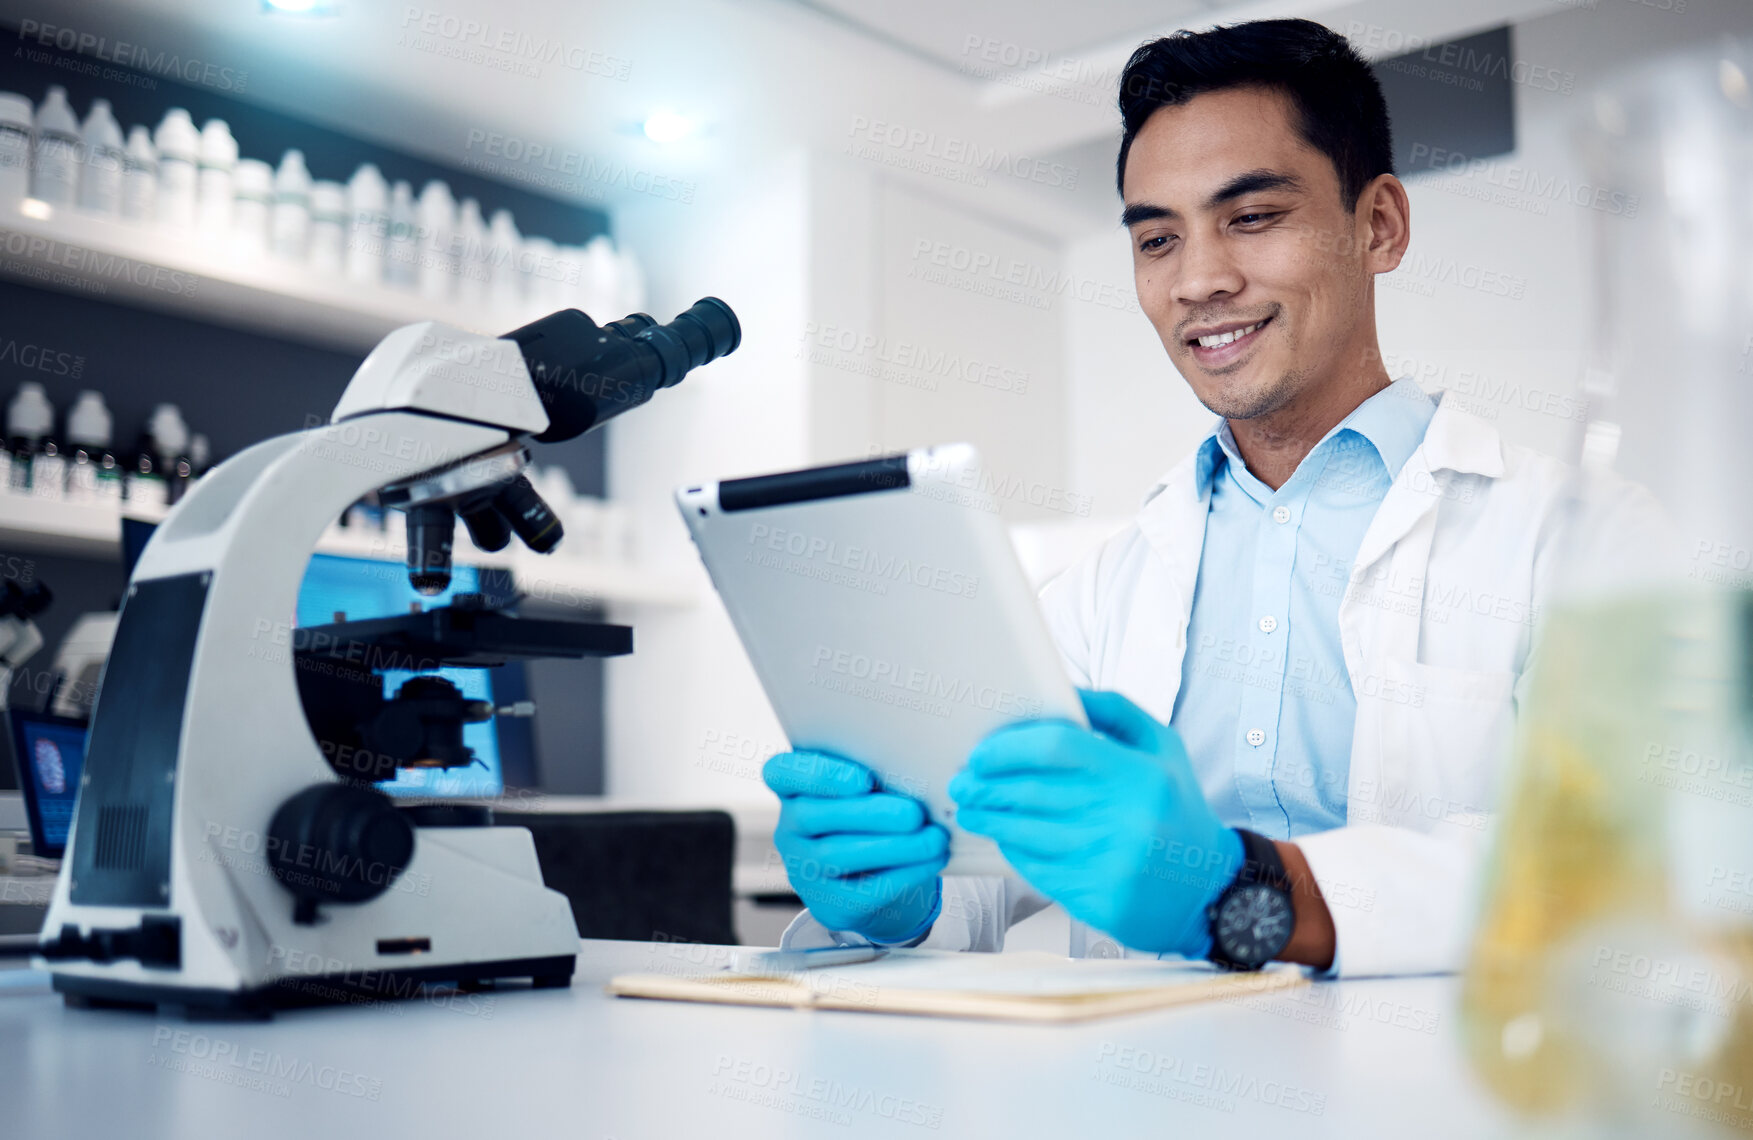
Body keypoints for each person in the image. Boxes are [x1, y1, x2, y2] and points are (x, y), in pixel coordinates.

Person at [763, 18, 1659, 976]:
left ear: (1379, 226)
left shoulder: (1580, 537)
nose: (1197, 279)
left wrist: (1248, 891)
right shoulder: (1100, 590)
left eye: (1253, 216)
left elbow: (1620, 860)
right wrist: (895, 894)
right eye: (1157, 238)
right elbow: (995, 864)